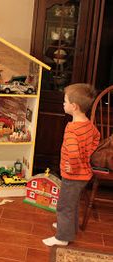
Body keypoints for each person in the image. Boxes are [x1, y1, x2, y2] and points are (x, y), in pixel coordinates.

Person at [42, 83, 100, 246]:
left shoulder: (72, 129)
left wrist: (73, 167)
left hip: (73, 176)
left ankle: (62, 237)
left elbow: (73, 154)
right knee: (72, 203)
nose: (63, 104)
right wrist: (88, 153)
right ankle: (69, 227)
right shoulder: (88, 125)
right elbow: (97, 137)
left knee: (64, 206)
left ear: (74, 107)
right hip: (84, 175)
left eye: (65, 101)